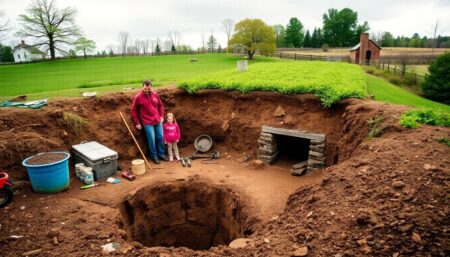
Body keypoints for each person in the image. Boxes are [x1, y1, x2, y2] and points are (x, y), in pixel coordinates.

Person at [131, 80, 168, 164]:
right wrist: (137, 123)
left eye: (149, 89)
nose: (147, 90)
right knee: (152, 139)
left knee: (160, 137)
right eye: (145, 89)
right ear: (142, 87)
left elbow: (160, 106)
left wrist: (161, 116)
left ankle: (161, 154)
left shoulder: (155, 95)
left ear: (151, 87)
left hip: (157, 120)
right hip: (147, 122)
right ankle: (154, 156)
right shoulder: (138, 97)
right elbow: (133, 110)